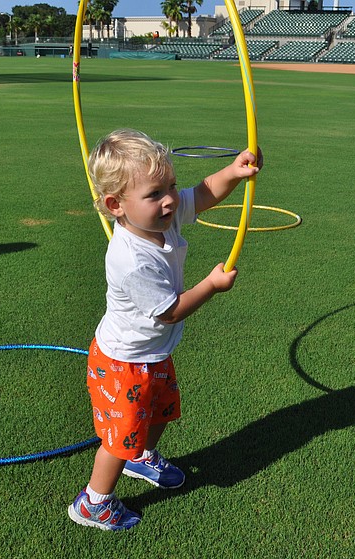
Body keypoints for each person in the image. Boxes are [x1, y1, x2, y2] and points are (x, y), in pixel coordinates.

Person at [68, 129, 262, 531]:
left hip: (152, 353)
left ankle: (142, 458)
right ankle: (94, 502)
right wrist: (211, 285)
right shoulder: (132, 259)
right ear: (115, 205)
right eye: (155, 193)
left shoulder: (163, 220)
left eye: (170, 186)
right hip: (124, 362)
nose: (171, 199)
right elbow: (170, 311)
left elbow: (203, 193)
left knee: (160, 412)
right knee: (119, 437)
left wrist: (233, 171)